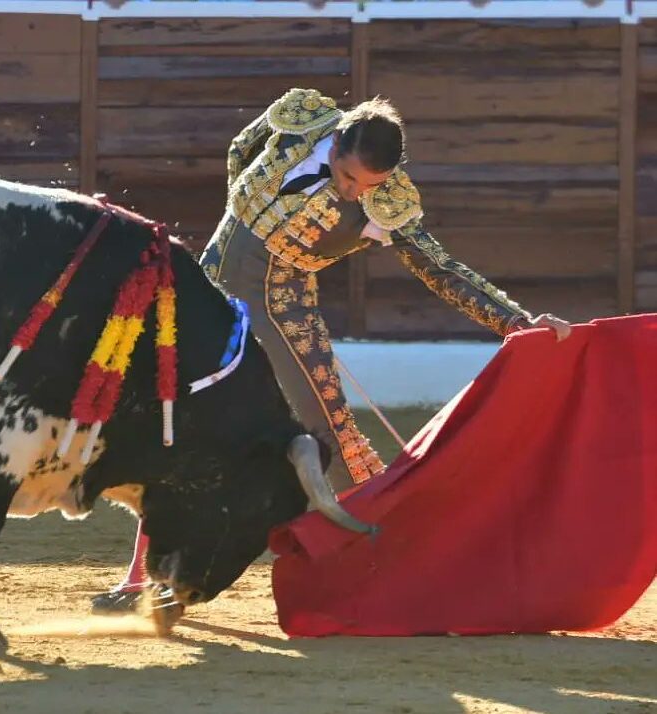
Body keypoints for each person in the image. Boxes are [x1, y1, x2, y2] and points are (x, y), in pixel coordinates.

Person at [90, 88, 572, 614]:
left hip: (282, 313)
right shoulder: (300, 120)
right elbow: (240, 149)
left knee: (327, 438)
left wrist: (517, 323)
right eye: (348, 178)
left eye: (369, 186)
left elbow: (440, 268)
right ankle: (146, 580)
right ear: (336, 141)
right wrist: (245, 228)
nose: (352, 193)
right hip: (211, 293)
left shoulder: (387, 206)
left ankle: (399, 566)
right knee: (175, 426)